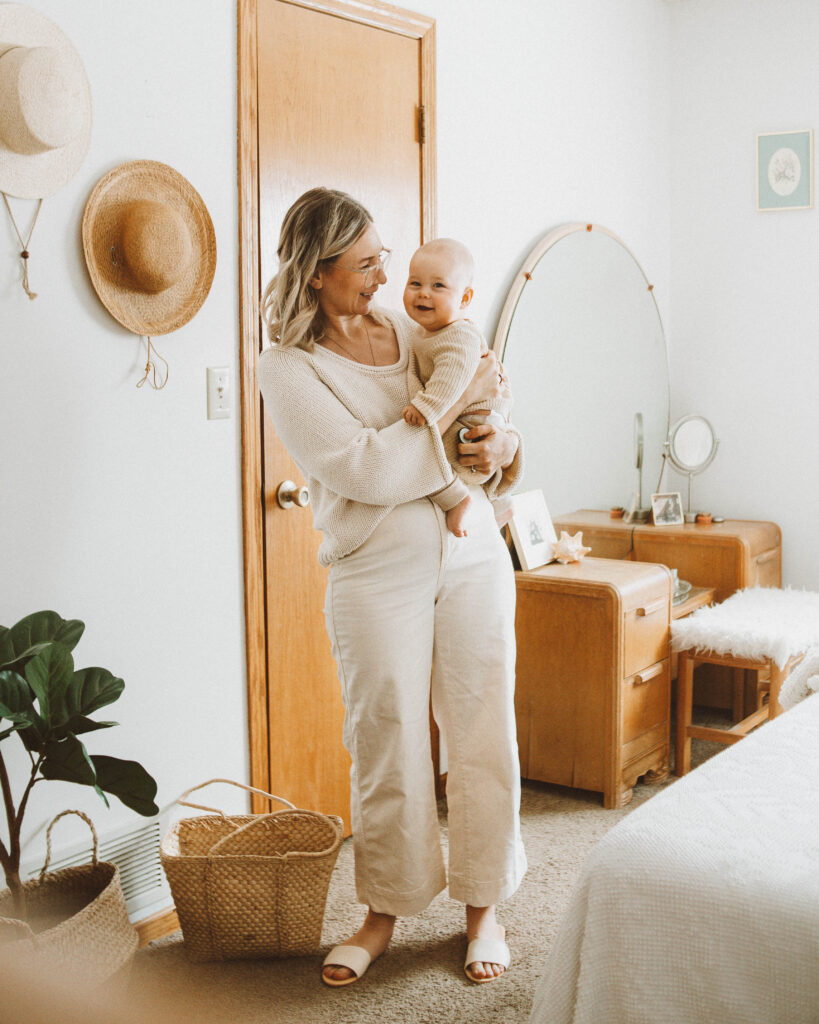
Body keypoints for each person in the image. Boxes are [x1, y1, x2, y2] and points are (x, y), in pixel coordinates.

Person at [257, 187, 527, 988]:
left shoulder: (416, 324)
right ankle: (385, 907)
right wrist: (451, 427)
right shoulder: (288, 366)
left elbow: (486, 404)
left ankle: (483, 905)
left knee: (483, 718)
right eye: (368, 261)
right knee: (387, 736)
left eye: (386, 257)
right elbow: (364, 468)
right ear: (317, 273)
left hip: (472, 547)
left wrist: (502, 442)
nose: (388, 274)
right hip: (374, 569)